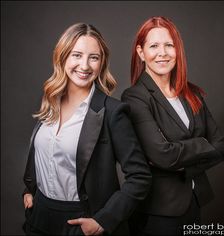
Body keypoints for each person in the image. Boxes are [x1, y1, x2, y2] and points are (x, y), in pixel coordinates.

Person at [22, 22, 152, 236]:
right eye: (76, 55)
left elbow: (140, 177)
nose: (85, 65)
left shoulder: (113, 112)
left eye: (94, 57)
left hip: (81, 223)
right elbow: (44, 155)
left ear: (101, 63)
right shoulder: (50, 102)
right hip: (38, 218)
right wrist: (29, 190)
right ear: (62, 57)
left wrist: (103, 221)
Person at [121, 16, 224, 236]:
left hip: (195, 202)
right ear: (141, 53)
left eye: (169, 45)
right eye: (154, 46)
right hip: (158, 212)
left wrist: (182, 163)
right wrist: (202, 144)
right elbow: (163, 154)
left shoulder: (192, 93)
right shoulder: (134, 98)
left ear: (177, 50)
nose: (163, 53)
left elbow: (221, 147)